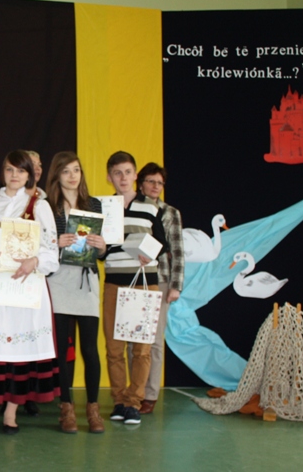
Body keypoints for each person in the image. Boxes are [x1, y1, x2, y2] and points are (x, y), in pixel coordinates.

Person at [0, 150, 60, 435]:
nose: (14, 175)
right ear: (2, 173)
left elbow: (51, 252)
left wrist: (34, 261)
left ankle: (11, 414)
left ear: (29, 174)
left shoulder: (40, 206)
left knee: (19, 351)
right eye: (9, 170)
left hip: (25, 286)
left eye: (20, 170)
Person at [101, 151, 167, 426]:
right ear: (109, 177)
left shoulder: (151, 207)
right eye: (117, 173)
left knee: (141, 349)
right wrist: (101, 248)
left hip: (145, 282)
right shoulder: (103, 208)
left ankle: (134, 402)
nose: (123, 178)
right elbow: (101, 251)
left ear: (135, 175)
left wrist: (149, 252)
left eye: (128, 172)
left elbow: (163, 244)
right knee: (114, 348)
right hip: (114, 282)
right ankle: (119, 401)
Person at [45, 151, 106, 434]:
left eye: (76, 170)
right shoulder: (47, 206)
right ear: (57, 175)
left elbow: (103, 250)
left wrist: (102, 247)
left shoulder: (94, 204)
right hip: (58, 280)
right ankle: (66, 407)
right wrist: (55, 243)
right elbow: (39, 244)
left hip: (86, 280)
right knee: (61, 350)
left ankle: (93, 408)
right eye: (66, 170)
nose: (72, 176)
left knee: (90, 349)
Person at [127, 162, 184, 415]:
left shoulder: (170, 213)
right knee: (131, 338)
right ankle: (134, 391)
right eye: (151, 181)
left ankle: (150, 394)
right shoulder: (130, 208)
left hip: (159, 280)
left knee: (154, 339)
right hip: (133, 279)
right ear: (140, 184)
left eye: (160, 183)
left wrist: (176, 286)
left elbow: (178, 251)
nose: (155, 186)